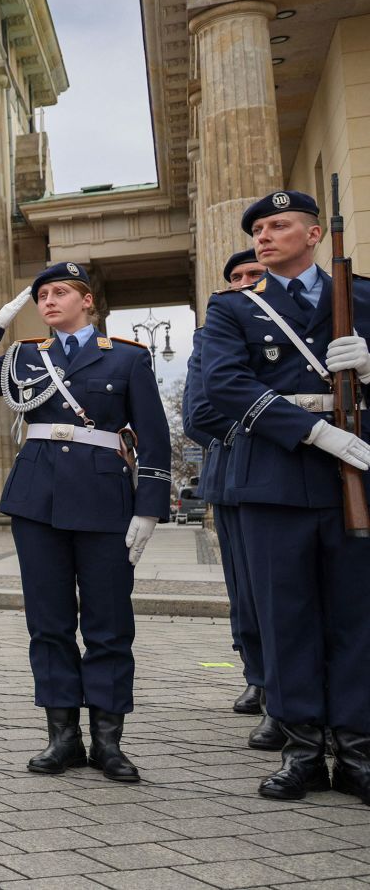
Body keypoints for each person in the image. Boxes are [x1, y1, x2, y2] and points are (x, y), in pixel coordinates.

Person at [0, 261, 169, 783]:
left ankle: (108, 741)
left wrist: (149, 506)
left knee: (108, 623)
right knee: (48, 624)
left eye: (59, 293)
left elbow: (155, 434)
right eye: (41, 295)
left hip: (103, 499)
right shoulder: (26, 355)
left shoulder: (128, 358)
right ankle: (62, 736)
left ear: (87, 301)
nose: (47, 302)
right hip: (37, 499)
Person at [199, 191, 370, 805]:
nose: (265, 236)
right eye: (259, 228)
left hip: (353, 474)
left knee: (355, 616)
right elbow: (222, 384)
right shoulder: (234, 308)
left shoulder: (363, 295)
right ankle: (302, 748)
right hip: (275, 472)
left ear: (315, 233)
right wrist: (310, 430)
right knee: (286, 617)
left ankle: (354, 747)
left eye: (279, 225)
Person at [182, 248, 281, 751]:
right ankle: (261, 676)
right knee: (248, 589)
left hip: (301, 470)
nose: (245, 282)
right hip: (237, 470)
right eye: (237, 277)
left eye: (255, 275)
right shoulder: (212, 336)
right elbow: (199, 412)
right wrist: (271, 429)